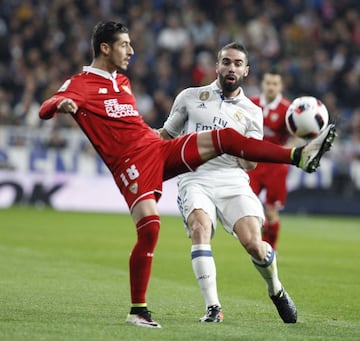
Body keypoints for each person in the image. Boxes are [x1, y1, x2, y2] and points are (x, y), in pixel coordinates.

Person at [38, 21, 335, 329]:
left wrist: (155, 136)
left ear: (246, 70)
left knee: (226, 140)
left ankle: (298, 156)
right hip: (134, 164)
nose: (131, 50)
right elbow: (46, 106)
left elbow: (139, 128)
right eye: (125, 44)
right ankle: (144, 309)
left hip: (163, 152)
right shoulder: (82, 83)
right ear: (105, 47)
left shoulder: (122, 82)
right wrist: (61, 103)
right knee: (152, 228)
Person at [159, 43, 293, 324]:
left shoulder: (251, 111)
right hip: (195, 178)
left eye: (237, 63)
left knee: (255, 244)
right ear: (217, 66)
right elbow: (166, 135)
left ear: (246, 70)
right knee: (199, 226)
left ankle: (276, 289)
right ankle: (213, 308)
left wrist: (234, 149)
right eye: (226, 62)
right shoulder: (190, 97)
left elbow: (251, 163)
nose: (231, 68)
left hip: (232, 180)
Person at [249, 70, 292, 250]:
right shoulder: (251, 104)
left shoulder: (288, 109)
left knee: (271, 210)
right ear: (263, 84)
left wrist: (287, 151)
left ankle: (270, 250)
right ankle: (257, 241)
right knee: (247, 206)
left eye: (275, 84)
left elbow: (295, 136)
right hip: (254, 164)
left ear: (280, 86)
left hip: (276, 166)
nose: (271, 87)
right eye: (268, 83)